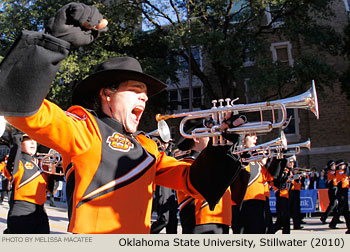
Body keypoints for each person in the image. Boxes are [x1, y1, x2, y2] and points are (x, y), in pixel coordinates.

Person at [0, 2, 245, 234]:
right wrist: (53, 42)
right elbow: (22, 109)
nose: (145, 99)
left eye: (146, 94)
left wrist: (222, 146)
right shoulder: (85, 128)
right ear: (107, 93)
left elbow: (193, 182)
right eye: (136, 90)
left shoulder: (148, 147)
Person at [175, 119, 232, 234]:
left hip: (221, 220)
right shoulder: (186, 163)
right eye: (209, 134)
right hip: (200, 223)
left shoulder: (214, 162)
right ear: (196, 138)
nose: (214, 137)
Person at [4, 134, 53, 234]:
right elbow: (11, 167)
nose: (32, 142)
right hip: (22, 209)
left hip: (40, 211)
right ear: (20, 143)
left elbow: (51, 187)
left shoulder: (41, 163)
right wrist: (16, 141)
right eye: (28, 139)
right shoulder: (19, 161)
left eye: (35, 140)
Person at [150, 138, 178, 234]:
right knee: (164, 219)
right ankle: (146, 233)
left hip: (172, 189)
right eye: (166, 142)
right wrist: (164, 149)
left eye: (168, 142)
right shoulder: (158, 152)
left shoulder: (170, 152)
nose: (167, 144)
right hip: (162, 187)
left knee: (172, 221)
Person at [328, 160, 350, 233]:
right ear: (340, 166)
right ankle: (333, 223)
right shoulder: (339, 172)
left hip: (345, 191)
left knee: (345, 210)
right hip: (341, 192)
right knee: (341, 209)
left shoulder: (342, 172)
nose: (344, 166)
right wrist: (348, 166)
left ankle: (348, 225)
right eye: (343, 165)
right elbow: (346, 174)